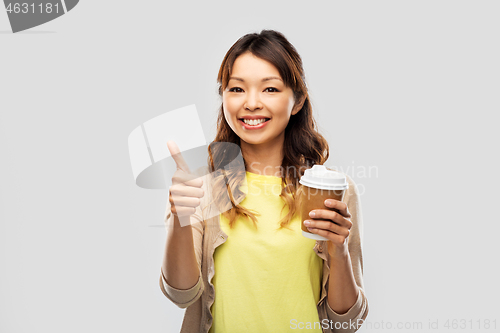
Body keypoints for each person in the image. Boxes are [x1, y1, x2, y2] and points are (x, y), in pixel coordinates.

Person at [160, 30, 368, 333]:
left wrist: (339, 251)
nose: (252, 103)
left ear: (297, 102)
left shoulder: (333, 190)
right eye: (237, 89)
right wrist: (180, 217)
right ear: (223, 98)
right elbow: (180, 293)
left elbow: (346, 322)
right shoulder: (201, 188)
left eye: (270, 89)